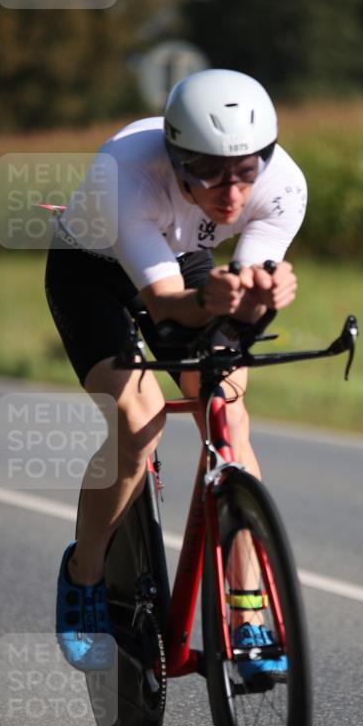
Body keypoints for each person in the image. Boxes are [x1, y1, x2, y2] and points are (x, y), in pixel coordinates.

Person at [46, 68, 307, 673]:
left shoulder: (283, 185)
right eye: (210, 171)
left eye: (246, 169)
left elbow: (239, 294)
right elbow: (164, 306)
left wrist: (262, 295)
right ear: (175, 155)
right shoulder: (128, 174)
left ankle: (248, 612)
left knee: (229, 415)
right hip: (94, 270)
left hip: (185, 260)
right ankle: (83, 575)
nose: (232, 191)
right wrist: (219, 301)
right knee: (139, 422)